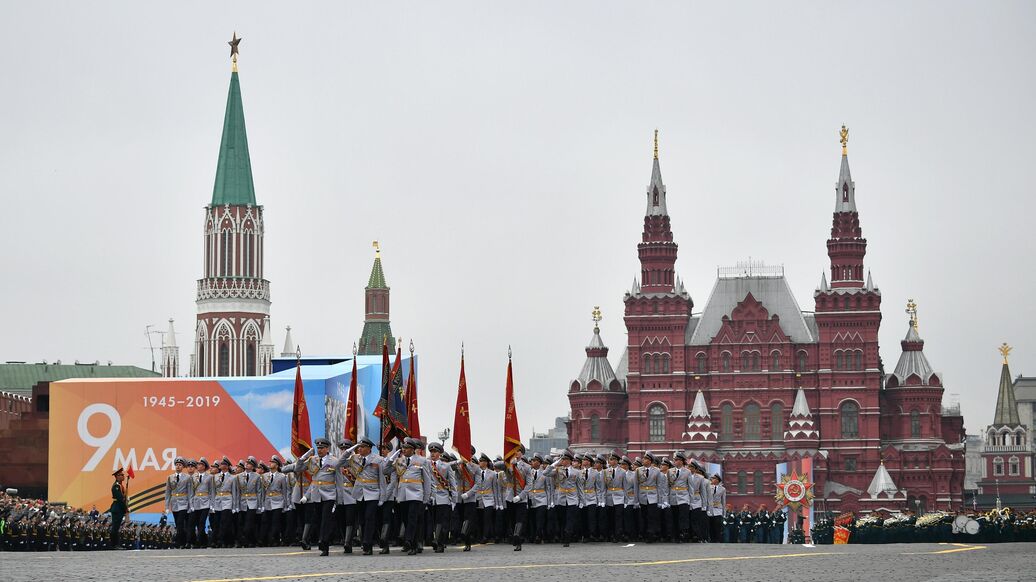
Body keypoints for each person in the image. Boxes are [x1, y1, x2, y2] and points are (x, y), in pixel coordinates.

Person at [389, 438, 432, 555]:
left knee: (412, 518)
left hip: (416, 494)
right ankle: (413, 541)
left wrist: (426, 498)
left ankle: (409, 541)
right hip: (402, 494)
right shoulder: (399, 460)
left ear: (413, 449)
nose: (404, 450)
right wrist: (393, 457)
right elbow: (386, 470)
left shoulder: (422, 461)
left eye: (407, 448)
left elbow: (427, 481)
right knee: (406, 519)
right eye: (403, 448)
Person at [426, 442, 457, 553]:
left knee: (442, 522)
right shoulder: (426, 464)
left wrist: (454, 500)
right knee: (433, 521)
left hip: (443, 497)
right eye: (431, 452)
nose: (433, 453)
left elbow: (452, 484)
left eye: (435, 452)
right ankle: (435, 540)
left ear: (440, 453)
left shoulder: (446, 466)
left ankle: (440, 542)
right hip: (431, 497)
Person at [333, 439, 359, 554]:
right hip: (340, 494)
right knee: (340, 519)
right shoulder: (337, 462)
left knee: (350, 519)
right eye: (342, 449)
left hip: (352, 494)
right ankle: (344, 538)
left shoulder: (356, 461)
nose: (343, 451)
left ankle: (348, 542)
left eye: (345, 449)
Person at [636, 452, 668, 544]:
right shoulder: (638, 470)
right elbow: (636, 485)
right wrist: (636, 500)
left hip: (653, 496)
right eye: (643, 458)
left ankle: (651, 534)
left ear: (650, 461)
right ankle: (645, 533)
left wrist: (660, 500)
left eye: (645, 459)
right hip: (642, 496)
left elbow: (659, 486)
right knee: (644, 516)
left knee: (652, 516)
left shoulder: (657, 471)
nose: (643, 460)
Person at [164, 456, 190, 548]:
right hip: (174, 502)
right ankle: (183, 541)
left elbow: (189, 492)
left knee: (180, 522)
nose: (178, 466)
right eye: (177, 465)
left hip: (184, 502)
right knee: (177, 523)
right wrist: (166, 507)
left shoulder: (187, 477)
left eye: (180, 465)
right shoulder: (170, 477)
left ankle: (180, 542)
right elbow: (167, 492)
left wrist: (190, 505)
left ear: (183, 467)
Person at [188, 458, 214, 548]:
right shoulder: (193, 477)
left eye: (200, 464)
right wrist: (191, 504)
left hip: (205, 502)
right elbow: (191, 492)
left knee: (202, 522)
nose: (198, 466)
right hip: (195, 502)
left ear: (204, 466)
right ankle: (204, 541)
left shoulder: (210, 477)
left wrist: (212, 504)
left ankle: (199, 542)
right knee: (194, 523)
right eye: (198, 464)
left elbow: (212, 491)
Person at [108, 468, 128, 549]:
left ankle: (116, 544)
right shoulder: (116, 486)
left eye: (123, 475)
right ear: (117, 476)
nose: (123, 476)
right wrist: (126, 509)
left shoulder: (120, 485)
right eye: (121, 475)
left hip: (119, 508)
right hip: (117, 508)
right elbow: (120, 499)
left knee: (117, 527)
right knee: (115, 527)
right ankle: (114, 544)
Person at [706, 474, 725, 543]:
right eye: (712, 478)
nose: (712, 480)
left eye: (714, 478)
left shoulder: (722, 489)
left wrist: (724, 512)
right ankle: (711, 538)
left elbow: (723, 501)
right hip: (710, 508)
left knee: (717, 524)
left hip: (718, 508)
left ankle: (717, 539)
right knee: (710, 524)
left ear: (717, 480)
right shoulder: (708, 487)